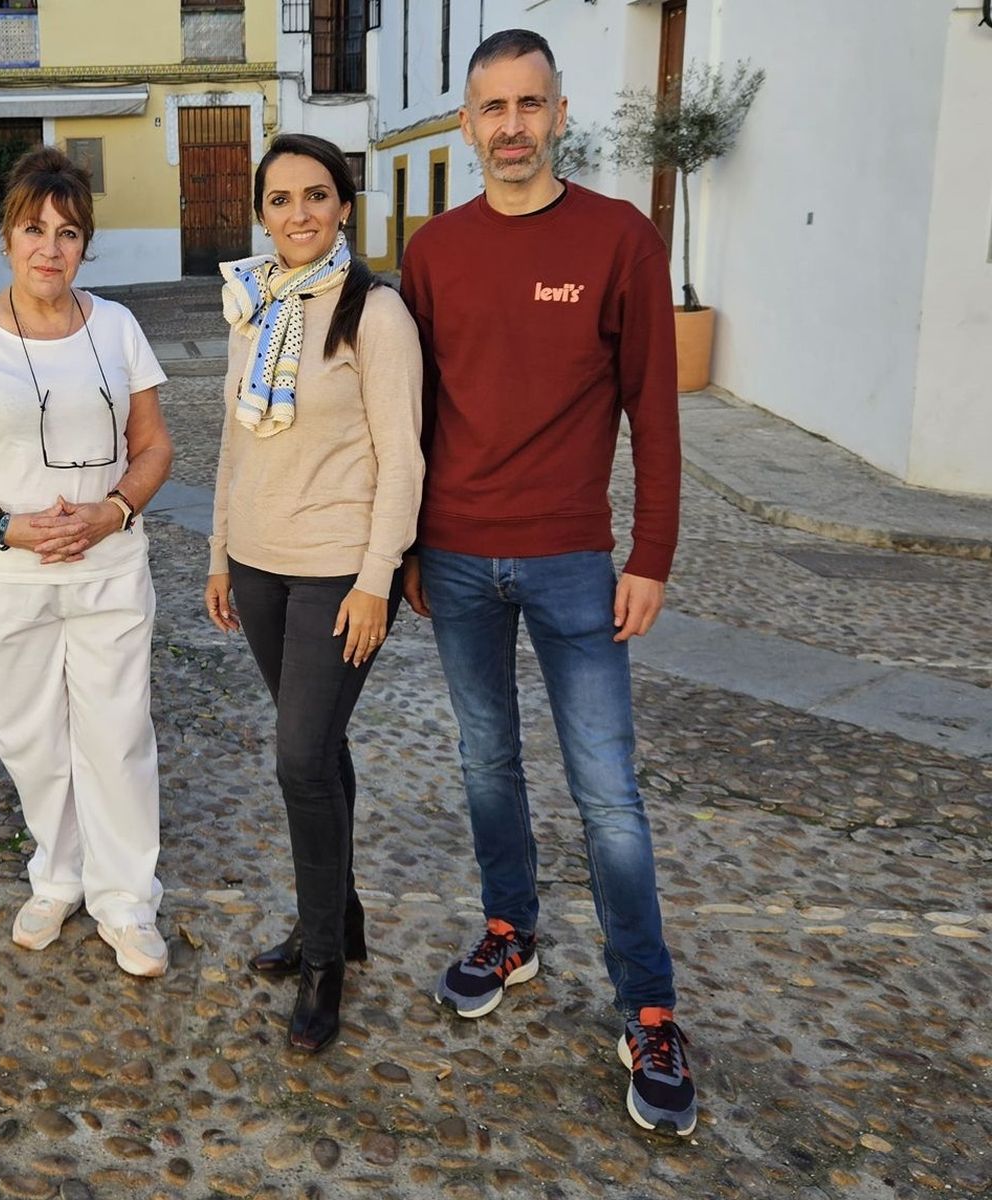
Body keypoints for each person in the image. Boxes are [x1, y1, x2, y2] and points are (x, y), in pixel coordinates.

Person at [400, 29, 695, 1134]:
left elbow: (652, 410)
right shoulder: (433, 252)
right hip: (458, 559)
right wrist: (404, 553)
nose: (512, 125)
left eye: (531, 104)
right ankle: (508, 931)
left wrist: (651, 552)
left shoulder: (620, 239)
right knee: (485, 763)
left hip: (576, 563)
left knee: (608, 796)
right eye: (493, 107)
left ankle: (649, 1007)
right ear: (466, 123)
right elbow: (414, 414)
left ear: (560, 113)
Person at [0, 147, 175, 978]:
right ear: (7, 235)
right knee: (30, 737)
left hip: (107, 568)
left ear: (85, 243)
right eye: (34, 229)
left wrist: (112, 511)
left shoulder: (119, 329)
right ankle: (58, 877)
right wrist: (4, 527)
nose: (49, 248)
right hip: (2, 575)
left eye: (67, 232)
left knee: (117, 731)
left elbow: (153, 444)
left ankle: (127, 899)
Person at [205, 134, 423, 1053]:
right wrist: (219, 554)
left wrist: (377, 579)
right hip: (256, 566)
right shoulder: (251, 305)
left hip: (337, 569)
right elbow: (234, 441)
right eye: (282, 199)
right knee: (320, 750)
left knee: (299, 760)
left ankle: (325, 959)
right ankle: (342, 916)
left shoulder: (376, 314)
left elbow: (405, 457)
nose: (299, 214)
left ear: (344, 208)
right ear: (263, 213)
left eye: (317, 196)